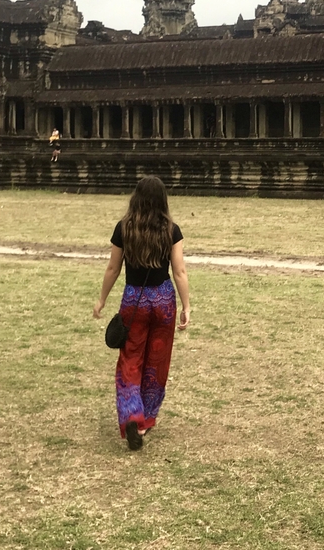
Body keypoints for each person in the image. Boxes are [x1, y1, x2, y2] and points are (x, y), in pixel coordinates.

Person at [93, 176, 191, 450]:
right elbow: (179, 271)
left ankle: (131, 414)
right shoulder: (171, 230)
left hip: (134, 300)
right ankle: (146, 419)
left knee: (130, 360)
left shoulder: (123, 229)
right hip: (163, 300)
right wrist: (186, 306)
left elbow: (113, 268)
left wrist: (101, 300)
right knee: (156, 362)